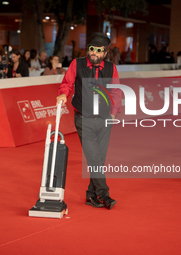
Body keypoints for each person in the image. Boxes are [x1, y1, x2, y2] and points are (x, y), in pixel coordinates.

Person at [56, 32, 122, 210]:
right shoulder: (77, 64)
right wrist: (63, 94)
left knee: (99, 159)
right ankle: (104, 195)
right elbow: (67, 83)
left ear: (105, 53)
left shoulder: (110, 68)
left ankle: (91, 195)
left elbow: (116, 91)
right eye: (91, 49)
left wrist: (114, 113)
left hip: (104, 119)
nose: (93, 53)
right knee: (94, 158)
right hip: (83, 118)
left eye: (98, 50)